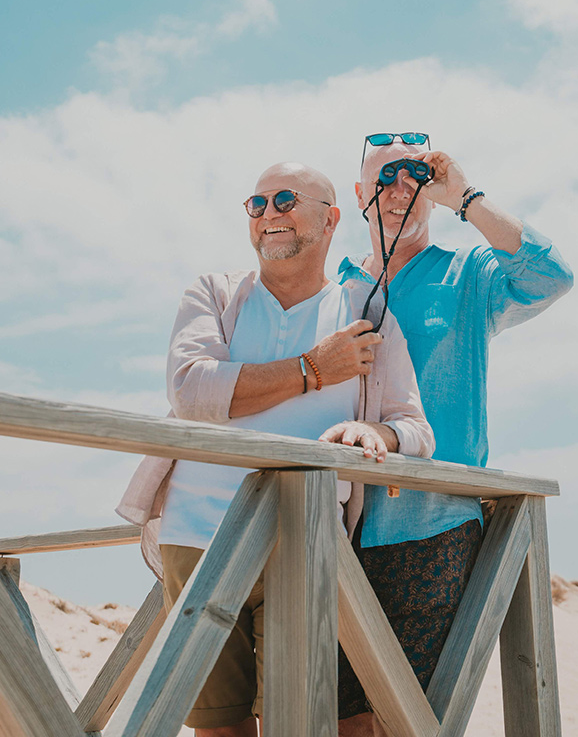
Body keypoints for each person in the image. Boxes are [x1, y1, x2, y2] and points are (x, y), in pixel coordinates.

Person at [115, 161, 434, 737]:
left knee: (298, 722)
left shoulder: (368, 310)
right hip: (194, 536)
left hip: (307, 541)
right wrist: (313, 369)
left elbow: (413, 427)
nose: (269, 215)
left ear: (331, 218)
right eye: (257, 205)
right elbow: (192, 389)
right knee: (219, 727)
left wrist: (376, 435)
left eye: (285, 200)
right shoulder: (214, 293)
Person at [336, 135, 574, 735]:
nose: (400, 190)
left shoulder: (467, 273)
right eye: (385, 178)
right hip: (335, 524)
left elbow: (551, 277)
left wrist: (465, 198)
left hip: (434, 527)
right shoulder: (331, 287)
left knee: (411, 720)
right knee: (338, 719)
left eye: (416, 178)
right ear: (360, 195)